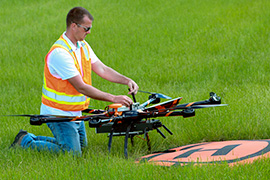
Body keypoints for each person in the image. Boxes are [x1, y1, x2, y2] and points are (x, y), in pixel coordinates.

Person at [10, 7, 139, 156]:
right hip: (58, 113)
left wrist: (126, 80)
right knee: (72, 154)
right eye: (86, 28)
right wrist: (114, 98)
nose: (89, 32)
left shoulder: (82, 45)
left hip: (74, 111)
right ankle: (25, 142)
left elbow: (102, 69)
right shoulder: (60, 53)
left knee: (81, 148)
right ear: (73, 26)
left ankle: (27, 137)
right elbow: (81, 87)